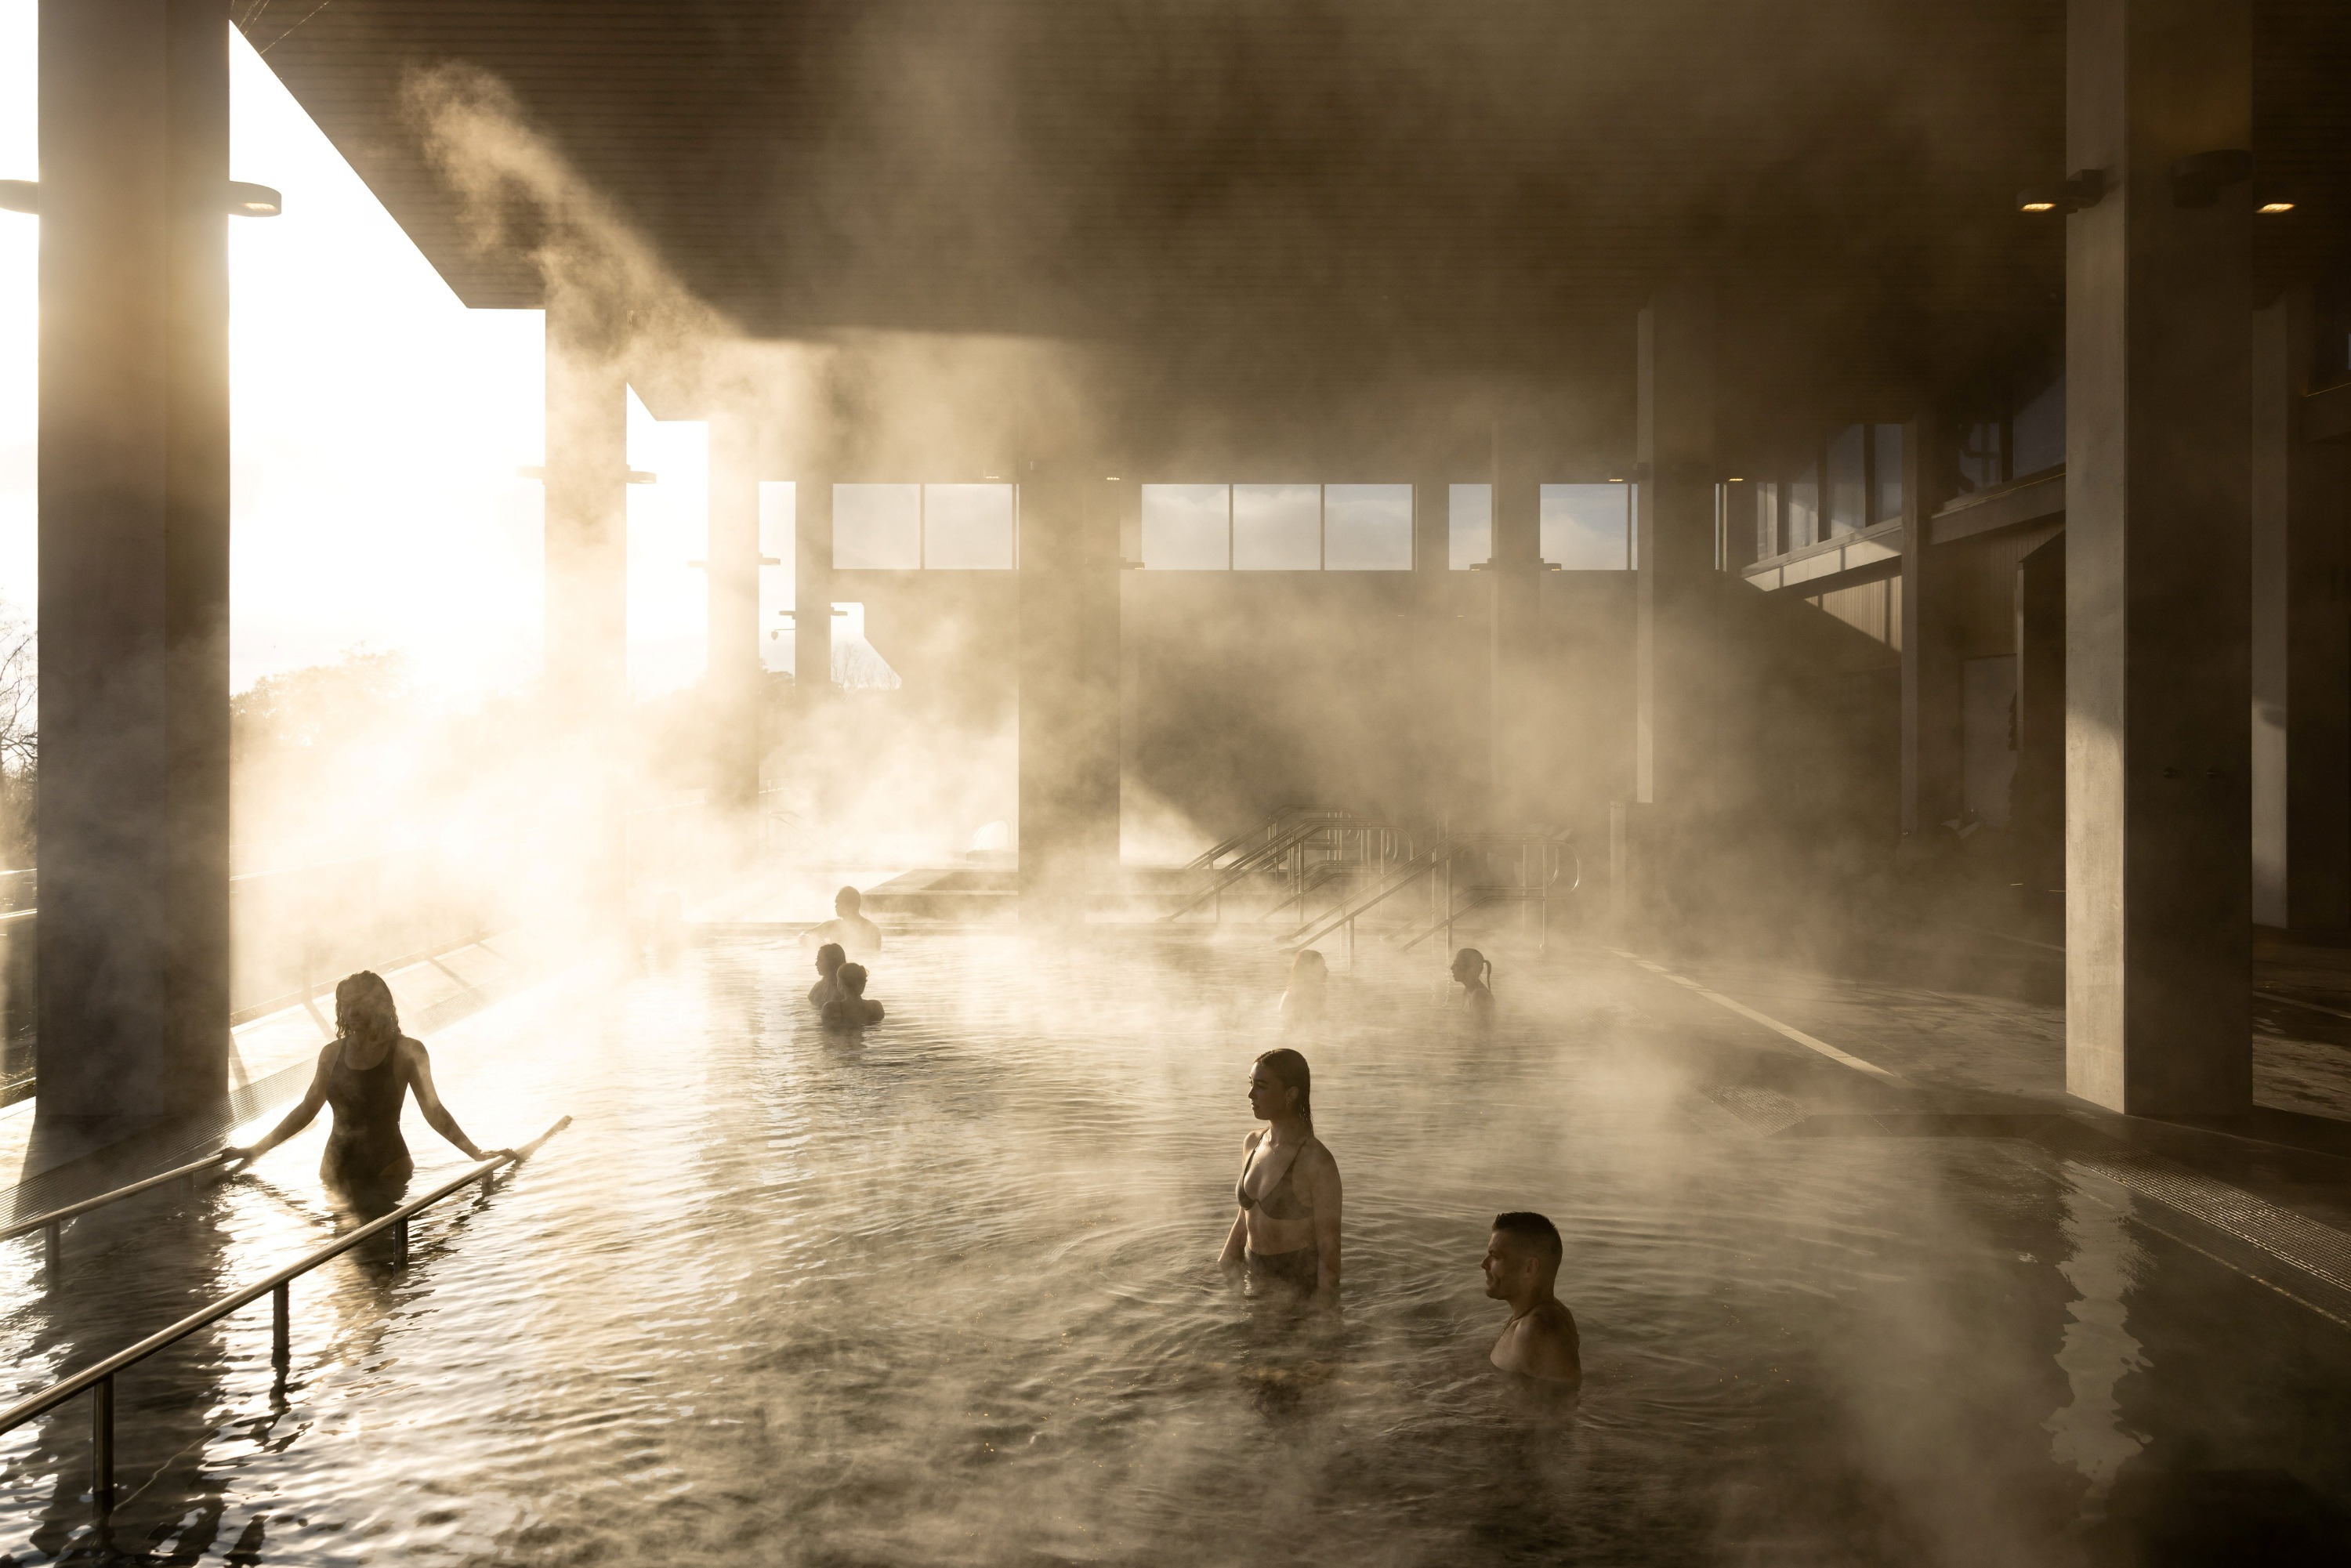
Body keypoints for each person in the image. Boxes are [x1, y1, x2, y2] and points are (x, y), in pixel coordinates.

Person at [229, 971, 509, 1194]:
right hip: (335, 1168)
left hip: (388, 1166)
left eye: (359, 1002)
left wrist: (476, 1153)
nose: (351, 1011)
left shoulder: (407, 1051)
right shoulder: (331, 1054)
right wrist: (254, 1150)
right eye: (345, 1004)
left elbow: (433, 1110)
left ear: (379, 1003)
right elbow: (306, 1110)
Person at [1218, 1048, 1342, 1303]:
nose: (1251, 1094)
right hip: (1252, 1276)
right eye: (1251, 1083)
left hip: (1296, 1290)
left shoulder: (1316, 1161)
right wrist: (1221, 1268)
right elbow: (1243, 1221)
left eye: (1261, 1086)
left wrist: (1325, 1312)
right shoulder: (1252, 1142)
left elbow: (1330, 1251)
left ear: (1291, 1094)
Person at [1482, 1211, 1581, 1385]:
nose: (1484, 1264)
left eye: (1495, 1256)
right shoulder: (1536, 1316)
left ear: (1529, 1268)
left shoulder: (1538, 1329)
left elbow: (1566, 1397)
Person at [810, 885, 882, 957]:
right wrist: (819, 943)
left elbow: (874, 955)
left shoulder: (872, 930)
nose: (836, 906)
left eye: (838, 903)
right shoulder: (831, 925)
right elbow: (806, 935)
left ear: (851, 905)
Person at [820, 962, 886, 1027]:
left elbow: (826, 1031)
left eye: (838, 980)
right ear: (863, 983)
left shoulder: (831, 1008)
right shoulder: (876, 1006)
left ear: (841, 984)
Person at [1280, 948, 1327, 1023]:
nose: (1326, 970)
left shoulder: (1314, 993)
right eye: (1321, 966)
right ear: (1309, 970)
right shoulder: (1294, 997)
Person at [1452, 947, 1494, 1022]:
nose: (1451, 968)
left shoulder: (1479, 996)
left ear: (1470, 969)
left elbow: (1482, 1028)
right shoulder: (1467, 991)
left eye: (1456, 964)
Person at [808, 942, 847, 1008]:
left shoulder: (841, 992)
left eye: (820, 960)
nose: (816, 964)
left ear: (832, 962)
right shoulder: (818, 986)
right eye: (817, 959)